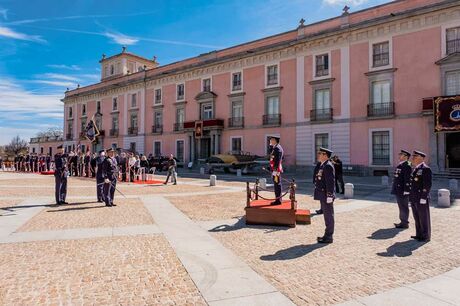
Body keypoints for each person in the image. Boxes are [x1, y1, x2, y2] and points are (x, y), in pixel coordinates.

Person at [409, 150, 432, 242]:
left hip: (421, 198)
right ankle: (419, 234)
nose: (413, 158)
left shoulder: (426, 169)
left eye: (415, 156)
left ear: (421, 158)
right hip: (414, 197)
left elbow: (427, 185)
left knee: (423, 217)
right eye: (413, 157)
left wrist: (424, 197)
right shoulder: (415, 169)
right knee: (417, 217)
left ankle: (426, 236)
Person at [314, 147, 335, 244]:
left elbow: (330, 182)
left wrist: (330, 195)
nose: (318, 155)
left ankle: (328, 236)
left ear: (325, 155)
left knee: (328, 216)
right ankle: (327, 235)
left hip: (326, 195)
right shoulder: (323, 165)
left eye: (320, 153)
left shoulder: (328, 166)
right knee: (327, 215)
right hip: (323, 194)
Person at [391, 149, 412, 229]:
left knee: (403, 206)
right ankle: (403, 221)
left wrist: (407, 190)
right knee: (401, 206)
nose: (399, 156)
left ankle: (404, 223)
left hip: (403, 190)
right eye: (399, 154)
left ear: (406, 157)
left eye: (401, 154)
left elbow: (407, 179)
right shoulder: (401, 165)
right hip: (399, 189)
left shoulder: (407, 165)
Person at [269, 135, 284, 205]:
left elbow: (278, 160)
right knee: (276, 184)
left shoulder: (277, 148)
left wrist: (275, 170)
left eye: (271, 139)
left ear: (275, 140)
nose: (270, 141)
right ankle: (278, 199)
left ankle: (278, 200)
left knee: (277, 184)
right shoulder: (275, 148)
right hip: (275, 169)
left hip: (276, 170)